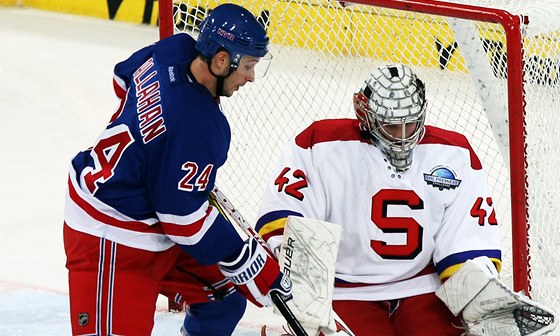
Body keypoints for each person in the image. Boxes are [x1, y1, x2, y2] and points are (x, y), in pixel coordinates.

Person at [256, 64, 557, 335]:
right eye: (390, 125)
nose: (402, 136)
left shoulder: (454, 154)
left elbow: (465, 240)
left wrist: (479, 297)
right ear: (365, 114)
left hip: (422, 288)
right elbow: (288, 218)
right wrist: (305, 294)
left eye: (410, 124)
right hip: (346, 291)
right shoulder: (322, 144)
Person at [63, 4, 291, 336]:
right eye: (250, 65)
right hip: (111, 231)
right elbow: (182, 221)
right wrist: (242, 257)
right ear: (222, 60)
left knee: (223, 299)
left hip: (151, 215)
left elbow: (121, 78)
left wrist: (152, 144)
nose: (252, 77)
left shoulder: (174, 49)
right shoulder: (201, 126)